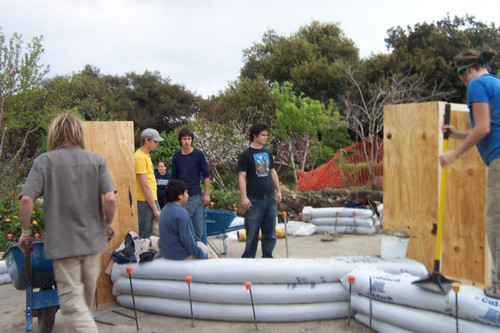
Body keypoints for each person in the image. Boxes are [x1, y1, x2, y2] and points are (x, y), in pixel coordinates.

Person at [17, 113, 117, 333]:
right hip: (92, 245)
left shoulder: (44, 161)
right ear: (78, 133)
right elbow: (110, 198)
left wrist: (25, 232)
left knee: (73, 309)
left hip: (63, 248)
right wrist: (108, 224)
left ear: (55, 134)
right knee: (83, 305)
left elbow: (26, 199)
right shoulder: (96, 160)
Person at [439, 47, 500, 299]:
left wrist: (455, 154)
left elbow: (484, 128)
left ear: (470, 70)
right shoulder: (495, 83)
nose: (462, 81)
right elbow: (491, 126)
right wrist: (458, 134)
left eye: (462, 76)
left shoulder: (477, 85)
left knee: (494, 221)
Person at [238, 122, 282, 258]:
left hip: (269, 198)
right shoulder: (245, 155)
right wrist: (244, 197)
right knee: (252, 233)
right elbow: (241, 176)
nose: (265, 137)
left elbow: (272, 171)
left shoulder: (267, 152)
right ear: (255, 136)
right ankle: (248, 260)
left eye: (266, 135)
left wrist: (278, 190)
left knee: (270, 233)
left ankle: (267, 258)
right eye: (263, 135)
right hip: (254, 200)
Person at [171, 128, 211, 244]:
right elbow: (174, 178)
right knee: (183, 230)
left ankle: (203, 256)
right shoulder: (176, 157)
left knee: (200, 230)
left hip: (196, 196)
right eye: (184, 139)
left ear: (192, 140)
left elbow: (206, 175)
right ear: (180, 141)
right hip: (181, 199)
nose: (187, 141)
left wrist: (207, 194)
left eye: (189, 139)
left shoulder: (199, 154)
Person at [159, 179, 216, 260]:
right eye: (186, 193)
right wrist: (205, 256)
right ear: (180, 196)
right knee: (210, 253)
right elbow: (188, 241)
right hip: (180, 255)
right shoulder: (181, 213)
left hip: (167, 252)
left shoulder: (164, 209)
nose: (188, 195)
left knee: (202, 246)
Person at [135, 128, 163, 238]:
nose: (157, 144)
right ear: (147, 140)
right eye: (155, 141)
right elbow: (144, 186)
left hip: (150, 199)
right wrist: (155, 209)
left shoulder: (146, 156)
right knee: (144, 235)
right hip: (144, 201)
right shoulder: (139, 157)